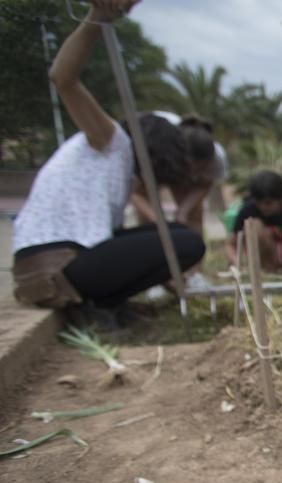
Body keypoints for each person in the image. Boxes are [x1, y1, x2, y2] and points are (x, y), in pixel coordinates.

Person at [11, 0, 204, 325]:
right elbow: (63, 78)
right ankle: (96, 303)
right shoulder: (111, 139)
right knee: (186, 243)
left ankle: (106, 305)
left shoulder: (119, 167)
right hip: (54, 266)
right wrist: (97, 18)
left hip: (70, 260)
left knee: (173, 233)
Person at [130, 112, 226, 290]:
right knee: (148, 223)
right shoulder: (156, 150)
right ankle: (153, 278)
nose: (195, 173)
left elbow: (204, 185)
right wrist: (156, 218)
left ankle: (193, 274)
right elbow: (136, 194)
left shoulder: (217, 157)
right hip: (161, 167)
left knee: (194, 215)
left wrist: (184, 211)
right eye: (192, 168)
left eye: (201, 168)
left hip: (178, 173)